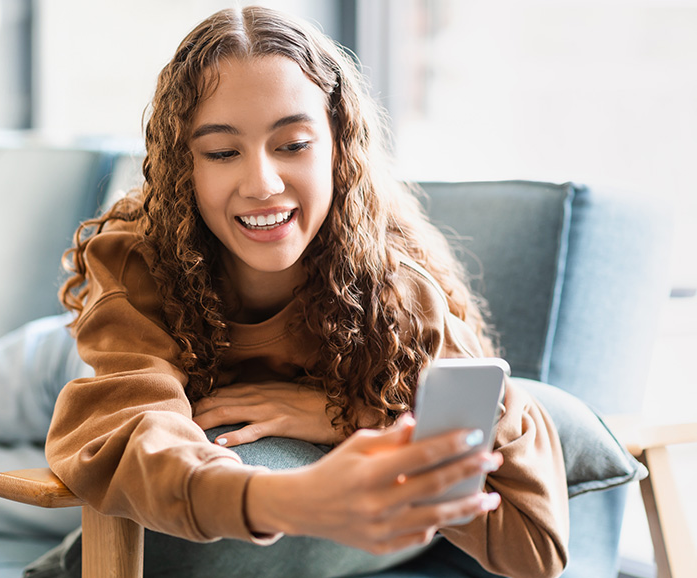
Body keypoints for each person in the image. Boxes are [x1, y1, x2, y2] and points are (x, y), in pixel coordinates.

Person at [43, 5, 569, 578]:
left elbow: (536, 549)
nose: (262, 184)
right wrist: (285, 500)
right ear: (182, 167)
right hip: (61, 358)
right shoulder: (137, 257)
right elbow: (121, 425)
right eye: (222, 152)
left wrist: (353, 416)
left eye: (292, 144)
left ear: (339, 147)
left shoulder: (394, 294)